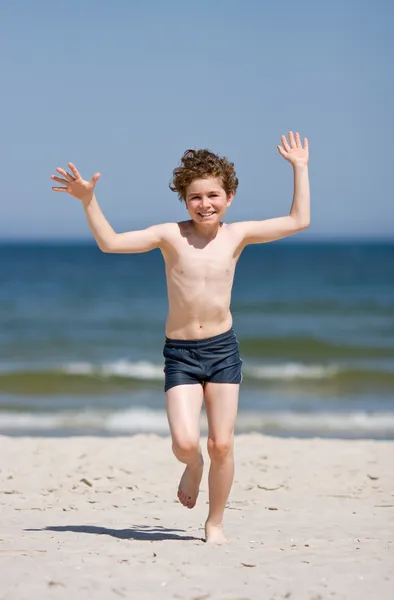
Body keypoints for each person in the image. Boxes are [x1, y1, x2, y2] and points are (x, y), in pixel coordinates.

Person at [51, 131, 310, 544]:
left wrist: (299, 168)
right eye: (195, 197)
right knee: (185, 442)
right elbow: (110, 243)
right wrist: (88, 200)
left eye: (213, 195)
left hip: (223, 350)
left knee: (221, 444)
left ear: (229, 196)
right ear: (184, 200)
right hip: (182, 354)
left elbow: (299, 220)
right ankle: (193, 468)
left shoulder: (237, 235)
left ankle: (215, 522)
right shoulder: (170, 235)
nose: (204, 204)